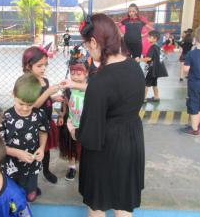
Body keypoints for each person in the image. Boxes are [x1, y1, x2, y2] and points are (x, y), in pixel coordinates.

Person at [64, 13, 145, 217]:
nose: (88, 50)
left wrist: (73, 131)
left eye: (87, 45)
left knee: (97, 204)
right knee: (123, 203)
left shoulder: (101, 81)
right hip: (131, 142)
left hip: (104, 148)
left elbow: (90, 134)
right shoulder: (135, 67)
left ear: (94, 41)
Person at [0, 73, 50, 202]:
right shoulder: (5, 117)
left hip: (32, 162)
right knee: (12, 195)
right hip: (11, 164)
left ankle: (30, 189)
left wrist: (42, 148)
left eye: (30, 104)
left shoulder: (39, 114)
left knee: (30, 196)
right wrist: (15, 152)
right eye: (21, 104)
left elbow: (43, 132)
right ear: (13, 95)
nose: (25, 108)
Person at [22, 46, 61, 184]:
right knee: (33, 150)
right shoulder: (27, 83)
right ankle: (32, 178)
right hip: (33, 123)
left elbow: (45, 100)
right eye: (39, 66)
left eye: (45, 65)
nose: (43, 68)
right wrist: (48, 93)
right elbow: (33, 105)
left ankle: (46, 170)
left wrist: (53, 98)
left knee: (46, 149)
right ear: (28, 66)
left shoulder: (44, 80)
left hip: (46, 121)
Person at [58, 46, 88, 181]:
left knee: (85, 148)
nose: (75, 77)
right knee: (71, 147)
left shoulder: (90, 88)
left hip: (86, 125)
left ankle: (87, 168)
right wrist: (61, 115)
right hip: (71, 123)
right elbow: (64, 103)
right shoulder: (68, 88)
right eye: (72, 73)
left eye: (79, 74)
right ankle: (72, 167)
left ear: (86, 73)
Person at [139, 30, 168, 103]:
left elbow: (149, 58)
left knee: (145, 84)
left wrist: (139, 59)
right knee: (154, 83)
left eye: (149, 37)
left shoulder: (152, 47)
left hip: (151, 69)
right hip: (156, 69)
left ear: (155, 38)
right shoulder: (158, 47)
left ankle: (143, 98)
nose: (148, 38)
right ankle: (156, 97)